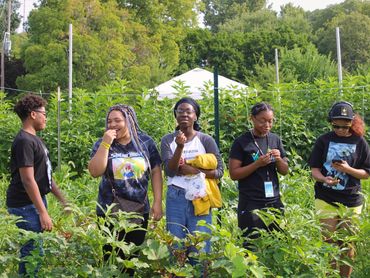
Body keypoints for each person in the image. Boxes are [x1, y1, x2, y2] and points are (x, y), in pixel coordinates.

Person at [88, 104, 163, 275]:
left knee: (131, 259)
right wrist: (106, 144)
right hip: (109, 210)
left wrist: (158, 202)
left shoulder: (145, 142)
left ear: (129, 121)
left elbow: (156, 171)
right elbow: (94, 171)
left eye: (117, 120)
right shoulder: (102, 143)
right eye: (109, 121)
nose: (112, 125)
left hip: (139, 209)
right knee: (111, 258)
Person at [6, 94, 68, 276]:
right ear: (33, 114)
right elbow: (27, 179)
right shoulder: (24, 141)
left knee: (35, 250)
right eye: (43, 113)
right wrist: (43, 212)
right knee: (33, 252)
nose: (45, 117)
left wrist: (63, 200)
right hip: (25, 205)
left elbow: (44, 175)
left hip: (34, 201)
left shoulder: (35, 140)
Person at [309, 101, 370, 277]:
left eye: (345, 126)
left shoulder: (360, 142)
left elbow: (366, 173)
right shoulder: (323, 140)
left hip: (351, 200)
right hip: (325, 197)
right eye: (336, 126)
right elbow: (314, 170)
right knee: (328, 244)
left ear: (353, 122)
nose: (341, 130)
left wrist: (347, 170)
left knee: (347, 245)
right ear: (330, 122)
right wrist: (324, 179)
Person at [160, 97, 224, 262]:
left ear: (196, 116)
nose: (184, 115)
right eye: (180, 111)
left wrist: (195, 170)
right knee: (176, 247)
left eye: (188, 111)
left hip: (200, 196)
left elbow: (220, 171)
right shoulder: (168, 140)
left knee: (200, 248)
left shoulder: (205, 140)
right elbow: (170, 171)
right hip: (176, 197)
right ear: (175, 115)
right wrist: (180, 147)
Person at [228, 102, 289, 249]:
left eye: (270, 121)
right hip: (251, 202)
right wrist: (257, 164)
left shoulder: (275, 139)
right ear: (252, 118)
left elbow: (285, 170)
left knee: (277, 243)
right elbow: (234, 174)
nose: (267, 124)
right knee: (252, 245)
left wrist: (279, 158)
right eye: (262, 120)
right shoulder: (241, 142)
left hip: (274, 201)